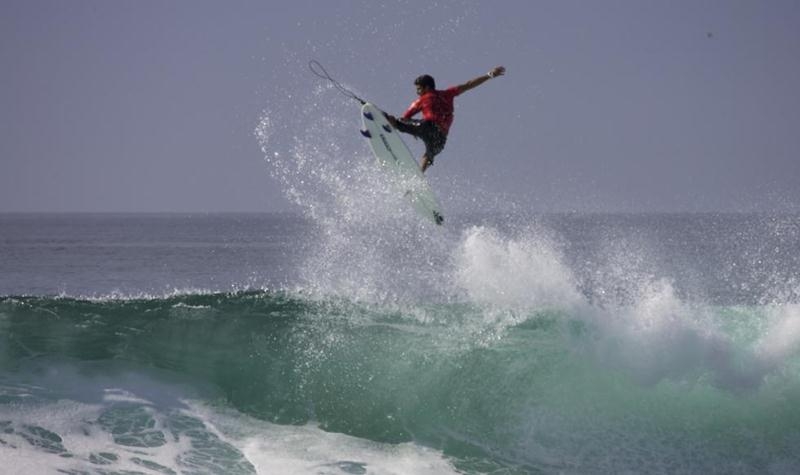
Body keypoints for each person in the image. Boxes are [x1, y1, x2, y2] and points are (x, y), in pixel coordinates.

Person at [385, 66, 506, 173]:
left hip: (428, 127)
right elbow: (469, 84)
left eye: (419, 89)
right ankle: (419, 176)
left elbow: (405, 117)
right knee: (429, 155)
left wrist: (406, 127)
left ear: (426, 87)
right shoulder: (448, 93)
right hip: (441, 139)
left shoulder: (422, 99)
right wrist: (489, 75)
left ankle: (383, 118)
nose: (417, 93)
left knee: (397, 121)